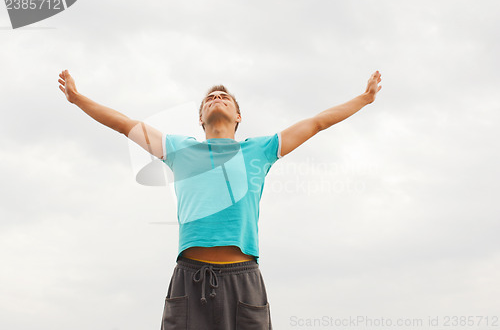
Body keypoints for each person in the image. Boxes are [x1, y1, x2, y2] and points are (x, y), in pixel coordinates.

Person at [58, 69, 382, 329]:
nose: (217, 98)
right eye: (210, 98)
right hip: (189, 280)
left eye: (224, 97)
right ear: (201, 118)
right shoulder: (178, 149)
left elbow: (317, 123)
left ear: (238, 116)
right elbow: (125, 124)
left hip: (243, 283)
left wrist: (365, 98)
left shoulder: (259, 150)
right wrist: (77, 98)